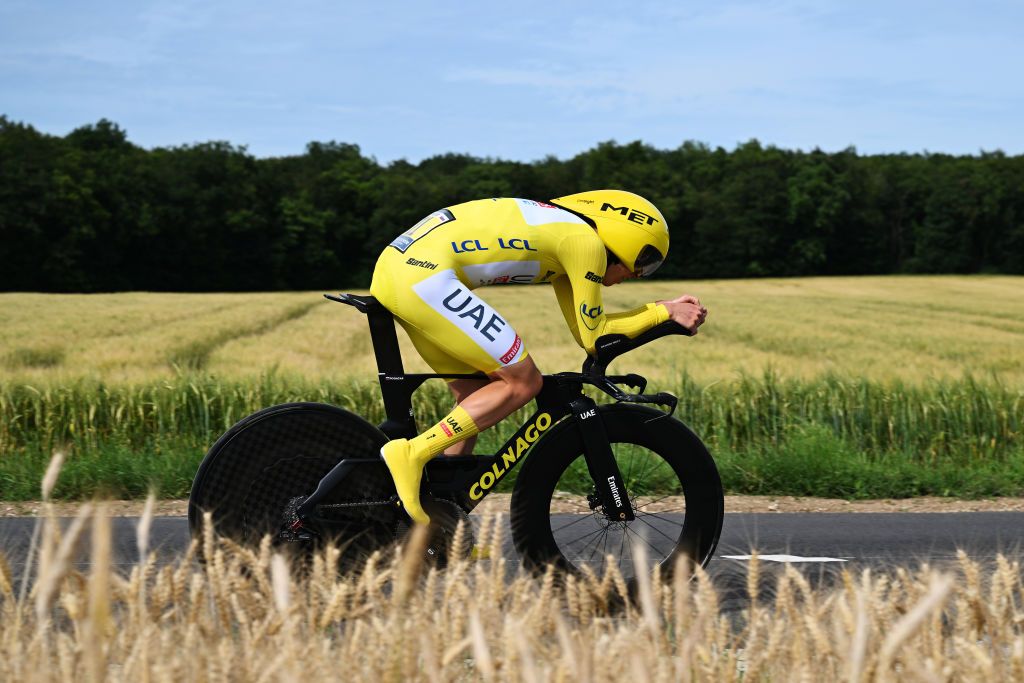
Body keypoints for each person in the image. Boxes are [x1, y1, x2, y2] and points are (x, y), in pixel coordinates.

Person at [369, 190, 707, 524]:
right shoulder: (584, 242)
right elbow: (596, 335)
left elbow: (585, 334)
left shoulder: (565, 238)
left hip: (401, 271)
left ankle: (441, 514)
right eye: (645, 263)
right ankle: (411, 454)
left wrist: (660, 313)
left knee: (474, 399)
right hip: (422, 277)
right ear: (626, 236)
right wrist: (663, 310)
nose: (637, 275)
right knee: (523, 381)